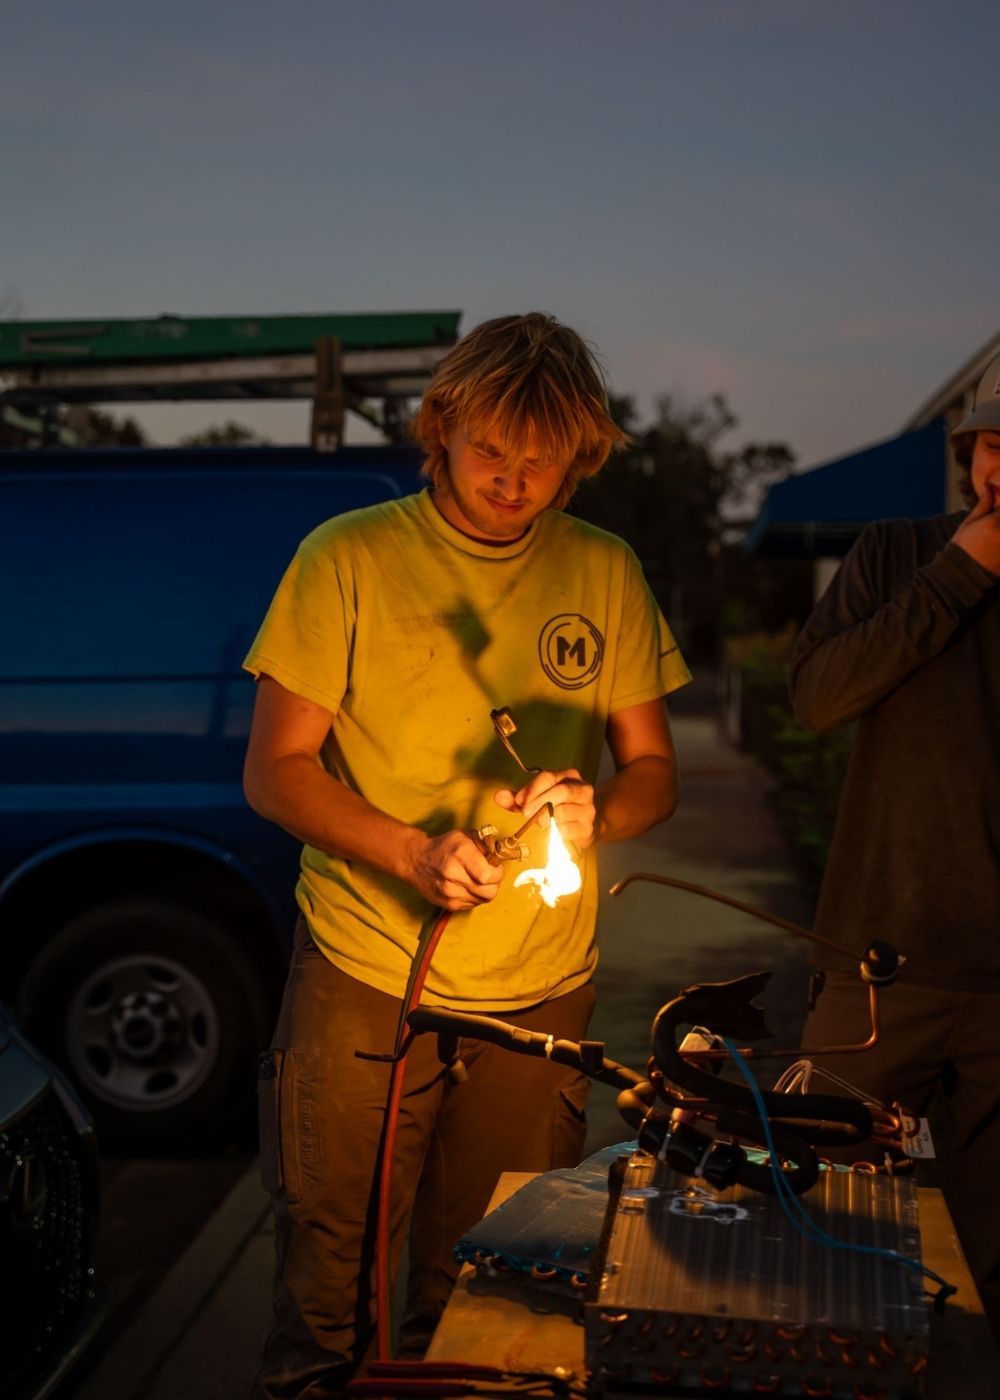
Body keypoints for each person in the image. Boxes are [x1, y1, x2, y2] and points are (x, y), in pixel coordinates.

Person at [242, 312, 690, 1398]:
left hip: (539, 994)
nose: (513, 482)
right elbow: (276, 771)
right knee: (330, 1284)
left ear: (579, 456)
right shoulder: (347, 557)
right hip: (365, 971)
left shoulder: (604, 568)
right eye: (491, 448)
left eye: (543, 460)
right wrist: (407, 851)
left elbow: (653, 771)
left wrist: (597, 813)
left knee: (492, 1293)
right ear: (440, 424)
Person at [788, 348, 1000, 1337]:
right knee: (819, 1214)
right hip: (877, 964)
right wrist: (958, 576)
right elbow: (818, 696)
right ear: (968, 455)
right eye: (993, 447)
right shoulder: (894, 551)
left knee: (991, 1257)